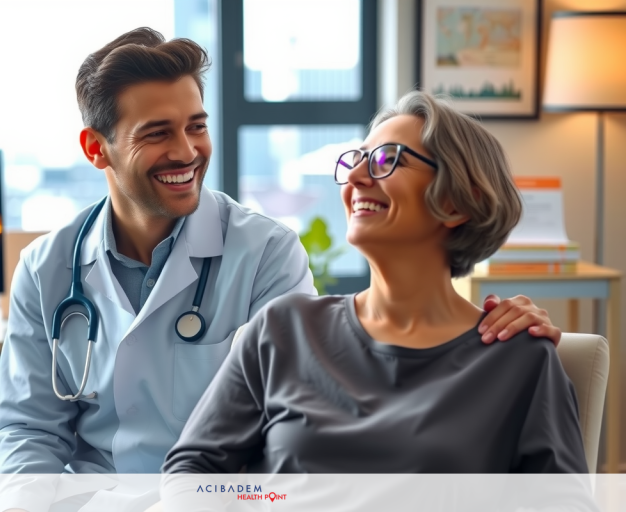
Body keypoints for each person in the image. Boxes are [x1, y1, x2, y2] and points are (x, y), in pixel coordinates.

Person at [0, 28, 564, 511]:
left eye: (196, 125)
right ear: (97, 149)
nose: (188, 152)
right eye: (158, 133)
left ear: (457, 201)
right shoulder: (47, 269)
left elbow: (286, 449)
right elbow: (28, 432)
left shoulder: (268, 255)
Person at [162, 91, 588, 477]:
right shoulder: (282, 329)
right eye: (356, 160)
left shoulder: (519, 359)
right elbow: (192, 468)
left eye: (387, 160)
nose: (356, 178)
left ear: (458, 202)